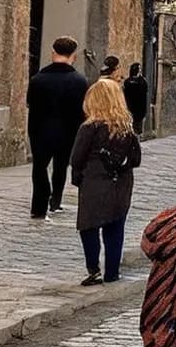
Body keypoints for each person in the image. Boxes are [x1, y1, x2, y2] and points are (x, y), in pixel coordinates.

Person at [69, 79, 142, 285]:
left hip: (95, 182)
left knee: (89, 226)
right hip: (121, 183)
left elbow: (76, 157)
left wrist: (79, 175)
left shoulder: (89, 127)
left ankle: (94, 270)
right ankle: (112, 271)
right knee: (115, 227)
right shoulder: (126, 128)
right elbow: (135, 159)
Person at [26, 36, 89, 219]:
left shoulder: (38, 79)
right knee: (60, 167)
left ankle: (39, 206)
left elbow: (30, 104)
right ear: (73, 56)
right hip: (68, 131)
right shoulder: (79, 81)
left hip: (40, 131)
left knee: (39, 168)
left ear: (53, 52)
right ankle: (55, 201)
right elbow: (83, 109)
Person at [123, 63, 149, 135]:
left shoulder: (128, 81)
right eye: (139, 69)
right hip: (137, 108)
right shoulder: (142, 81)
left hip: (134, 108)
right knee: (136, 128)